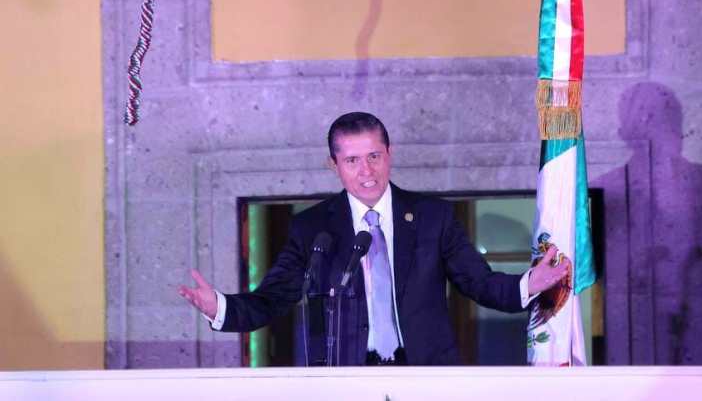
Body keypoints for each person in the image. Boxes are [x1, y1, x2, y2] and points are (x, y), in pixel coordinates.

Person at [179, 111, 569, 365]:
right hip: (347, 377)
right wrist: (220, 307)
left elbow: (479, 283)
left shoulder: (433, 217)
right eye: (352, 160)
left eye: (374, 156)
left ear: (389, 154)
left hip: (425, 375)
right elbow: (273, 298)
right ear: (334, 165)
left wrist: (529, 283)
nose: (366, 171)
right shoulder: (312, 228)